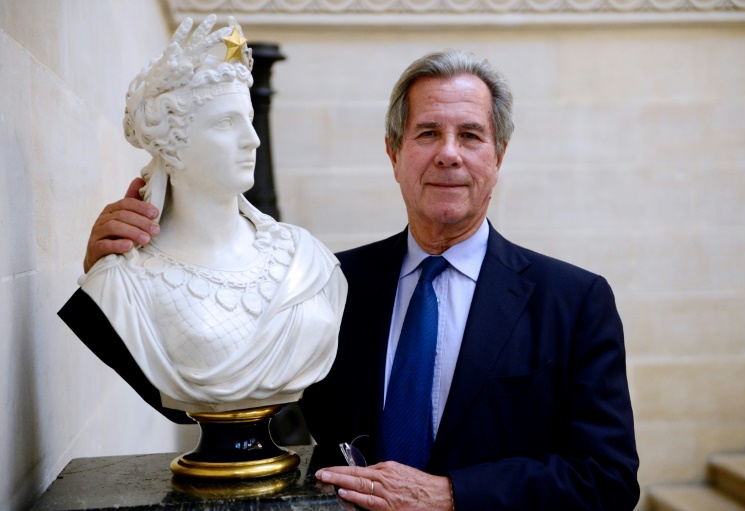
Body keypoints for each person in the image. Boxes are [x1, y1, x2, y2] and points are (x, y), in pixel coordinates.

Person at [76, 49, 639, 510]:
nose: (448, 154)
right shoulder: (326, 281)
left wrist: (451, 494)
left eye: (470, 135)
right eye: (426, 134)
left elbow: (607, 479)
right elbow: (202, 405)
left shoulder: (574, 301)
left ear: (499, 155)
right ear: (394, 153)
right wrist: (125, 268)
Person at [61, 15, 346, 414]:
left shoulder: (306, 257)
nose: (253, 139)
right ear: (173, 146)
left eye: (248, 119)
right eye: (226, 123)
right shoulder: (124, 282)